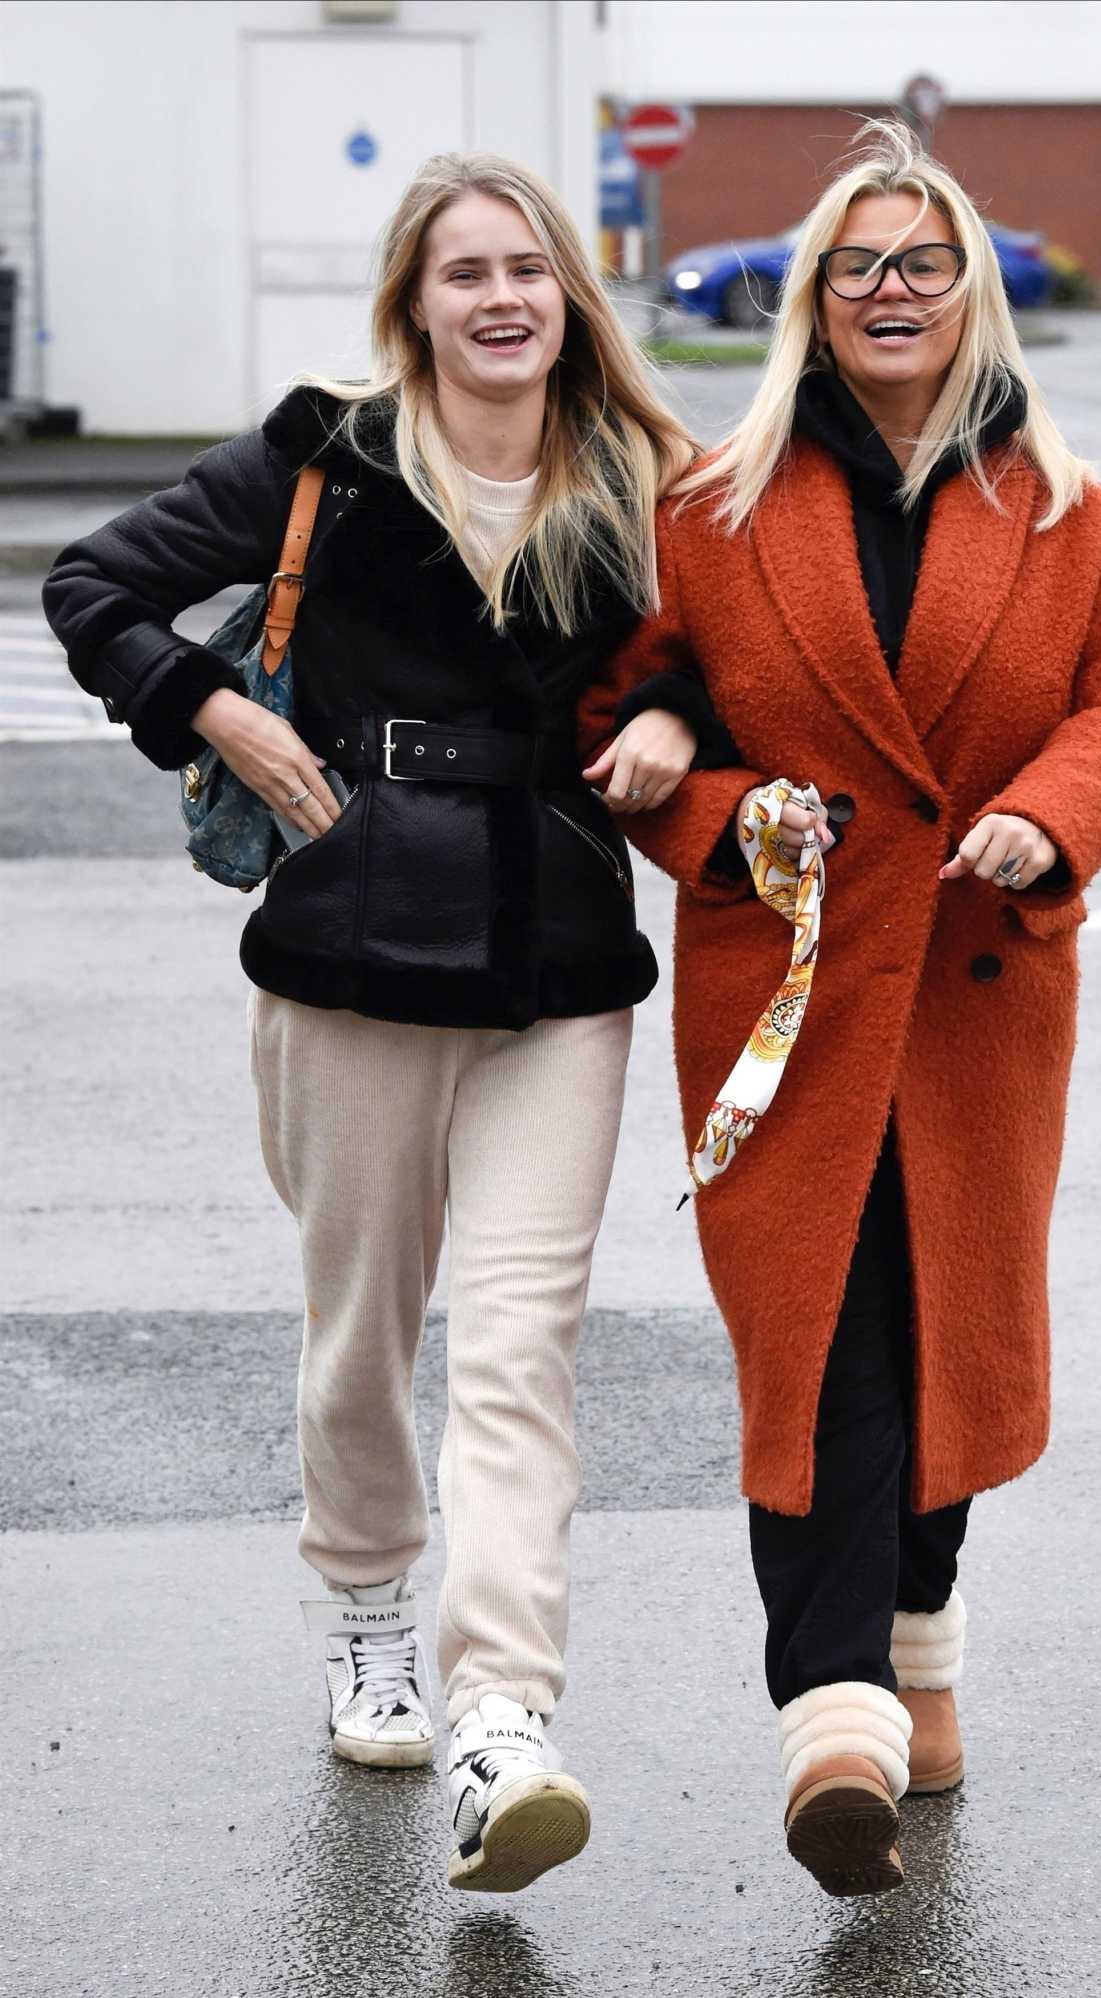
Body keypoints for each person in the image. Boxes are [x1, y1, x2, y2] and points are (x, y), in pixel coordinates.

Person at [43, 152, 714, 1895]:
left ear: (571, 294)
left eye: (530, 270)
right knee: (362, 1335)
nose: (502, 298)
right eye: (464, 272)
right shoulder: (320, 459)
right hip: (344, 949)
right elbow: (92, 586)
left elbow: (738, 646)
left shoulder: (649, 476)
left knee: (519, 1350)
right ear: (412, 303)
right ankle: (366, 1610)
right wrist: (208, 708)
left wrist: (681, 724)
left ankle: (506, 1720)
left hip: (557, 965)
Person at [581, 120, 1101, 1898]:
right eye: (858, 268)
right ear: (813, 304)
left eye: (925, 264)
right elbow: (632, 706)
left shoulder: (1076, 519)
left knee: (946, 1335)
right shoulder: (712, 507)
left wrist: (1050, 812)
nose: (893, 292)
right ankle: (831, 1710)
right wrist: (701, 802)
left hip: (983, 993)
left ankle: (919, 1637)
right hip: (794, 986)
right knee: (818, 1342)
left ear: (974, 292)